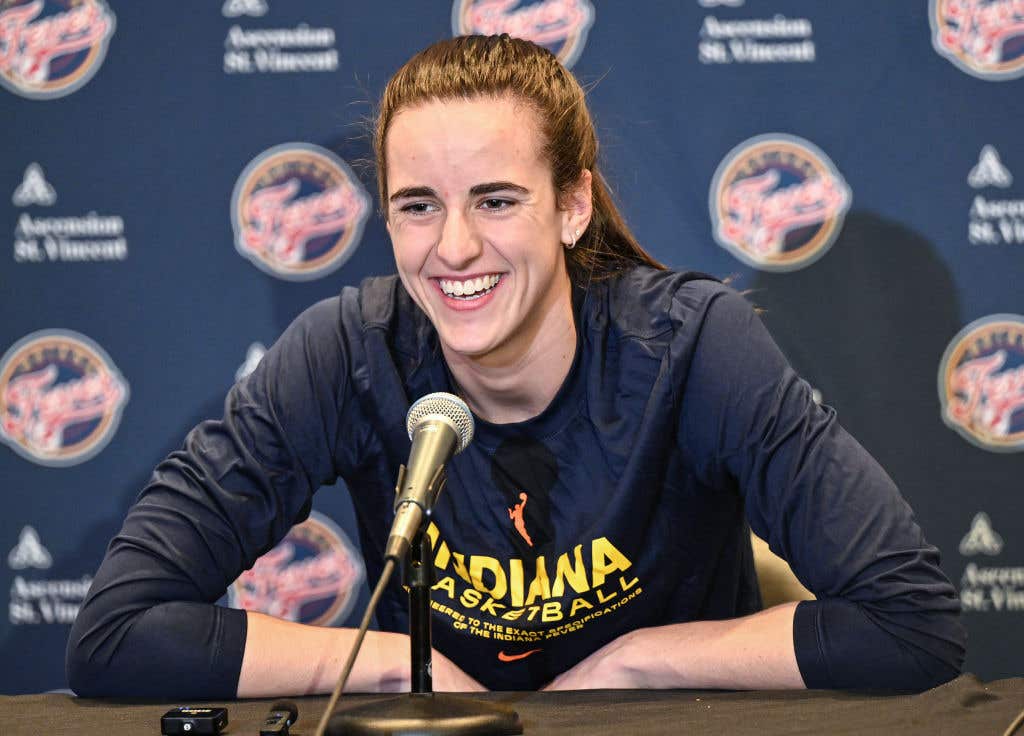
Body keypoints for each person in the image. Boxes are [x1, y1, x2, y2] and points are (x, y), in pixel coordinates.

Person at [66, 34, 965, 699]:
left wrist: (637, 663)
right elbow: (116, 635)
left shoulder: (693, 346)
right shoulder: (350, 351)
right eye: (418, 206)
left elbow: (910, 624)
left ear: (572, 206)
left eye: (496, 199)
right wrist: (396, 667)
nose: (454, 248)